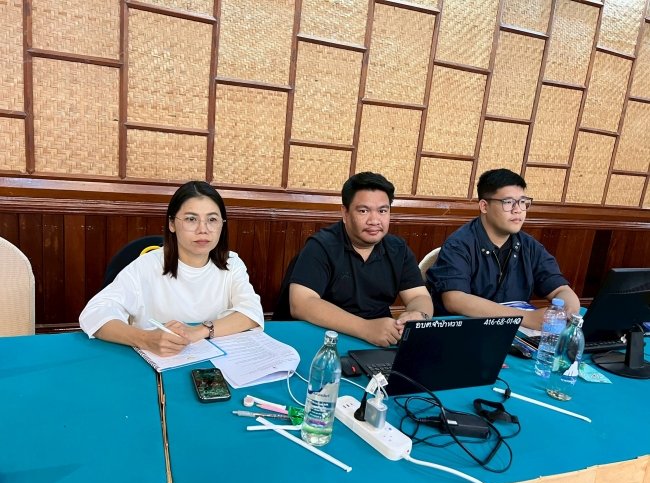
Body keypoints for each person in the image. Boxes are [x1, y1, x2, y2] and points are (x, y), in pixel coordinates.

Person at [79, 181, 264, 356]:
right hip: (161, 360)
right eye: (191, 219)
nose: (203, 229)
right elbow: (94, 313)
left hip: (216, 361)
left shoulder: (232, 263)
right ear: (172, 224)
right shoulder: (146, 266)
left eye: (212, 219)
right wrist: (145, 339)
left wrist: (200, 331)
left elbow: (252, 313)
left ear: (222, 225)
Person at [288, 172, 433, 347]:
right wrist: (366, 328)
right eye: (363, 211)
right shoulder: (321, 246)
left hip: (379, 340)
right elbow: (301, 303)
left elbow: (419, 295)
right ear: (345, 213)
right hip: (324, 337)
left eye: (382, 211)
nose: (374, 220)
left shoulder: (398, 249)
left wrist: (419, 315)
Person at [426, 168, 580, 329]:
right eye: (508, 202)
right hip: (465, 332)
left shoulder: (529, 246)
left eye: (522, 202)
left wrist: (568, 311)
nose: (518, 209)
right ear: (484, 206)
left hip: (513, 333)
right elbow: (455, 299)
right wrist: (524, 318)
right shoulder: (458, 244)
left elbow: (561, 289)